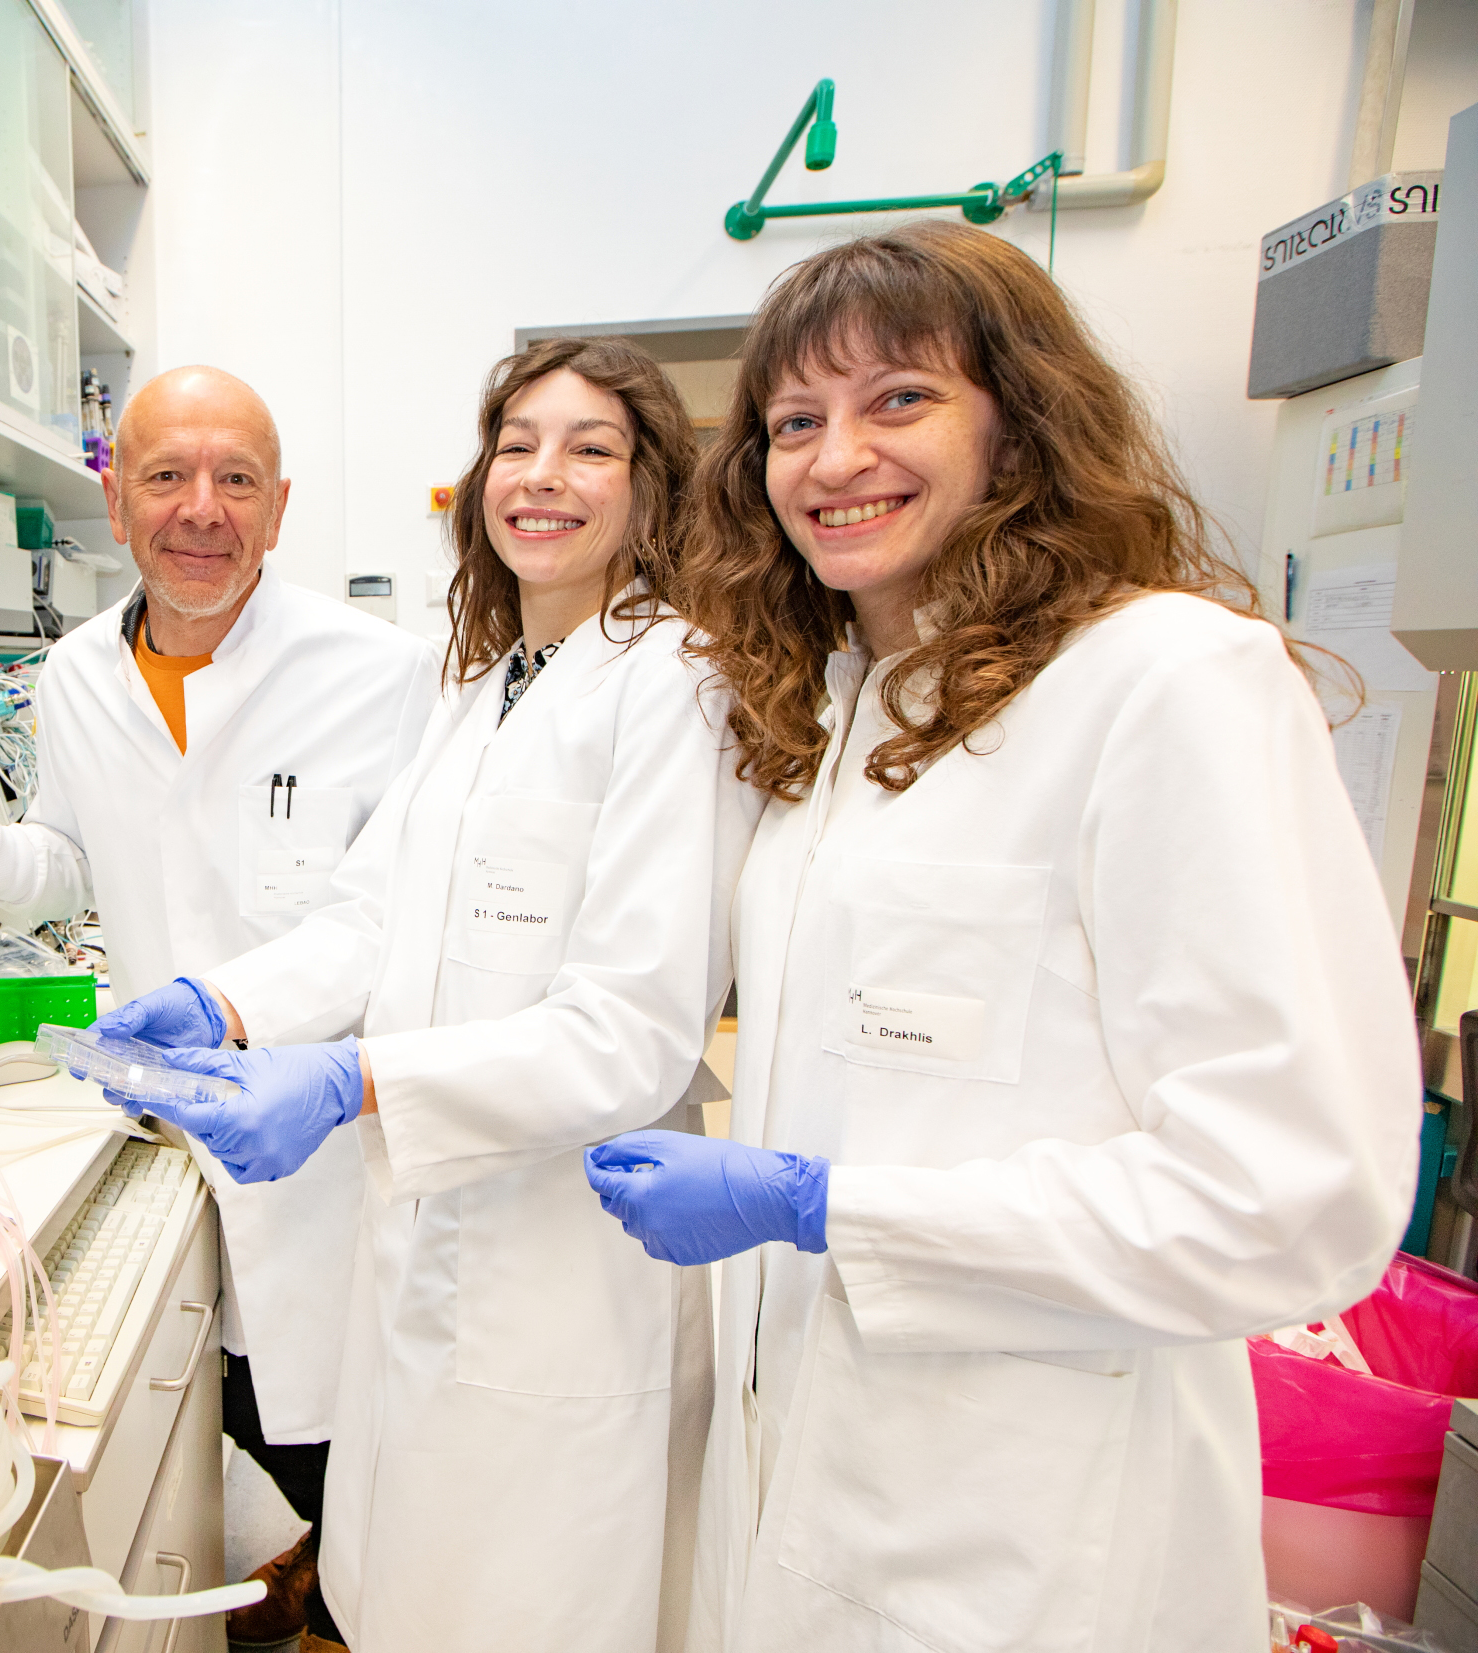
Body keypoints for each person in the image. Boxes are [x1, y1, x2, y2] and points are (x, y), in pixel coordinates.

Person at [583, 220, 1421, 1650]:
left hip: (1037, 1539)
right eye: (796, 420)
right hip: (808, 1498)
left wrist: (824, 1204)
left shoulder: (1166, 681)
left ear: (1020, 423)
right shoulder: (839, 710)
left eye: (898, 398)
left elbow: (1295, 1194)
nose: (835, 457)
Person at [103, 337, 759, 1652]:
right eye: (516, 443)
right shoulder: (485, 683)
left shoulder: (676, 682)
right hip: (430, 1246)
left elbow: (630, 1031)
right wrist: (221, 1003)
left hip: (565, 1267)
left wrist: (357, 1081)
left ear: (652, 487)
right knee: (405, 1590)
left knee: (531, 1606)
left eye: (591, 448)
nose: (542, 476)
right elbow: (371, 918)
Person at [0, 365, 437, 1650]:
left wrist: (222, 1000)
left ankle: (346, 1597)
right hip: (161, 1132)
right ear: (114, 496)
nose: (202, 509)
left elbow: (385, 919)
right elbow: (74, 850)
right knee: (218, 1412)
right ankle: (307, 1585)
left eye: (234, 479)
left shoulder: (384, 672)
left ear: (280, 504)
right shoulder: (76, 671)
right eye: (167, 477)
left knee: (357, 1453)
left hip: (315, 1137)